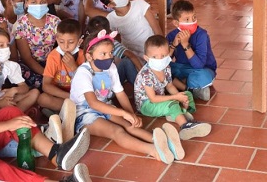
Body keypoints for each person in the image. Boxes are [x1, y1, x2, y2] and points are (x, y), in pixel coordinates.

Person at [69, 30, 183, 164]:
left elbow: (120, 93)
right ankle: (153, 150)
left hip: (105, 106)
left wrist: (131, 114)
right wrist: (123, 112)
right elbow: (93, 103)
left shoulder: (110, 67)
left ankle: (162, 142)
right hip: (84, 113)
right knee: (116, 131)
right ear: (89, 56)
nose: (109, 57)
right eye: (103, 54)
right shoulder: (83, 72)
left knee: (129, 125)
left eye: (111, 52)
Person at [134, 35, 211, 140]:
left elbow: (169, 86)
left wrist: (180, 97)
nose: (160, 59)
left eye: (163, 56)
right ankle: (185, 126)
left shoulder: (166, 68)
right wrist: (175, 98)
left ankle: (183, 111)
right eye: (155, 57)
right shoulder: (146, 74)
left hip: (160, 99)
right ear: (146, 58)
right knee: (172, 104)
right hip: (147, 105)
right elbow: (153, 98)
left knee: (186, 94)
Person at [166, 0, 217, 101]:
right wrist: (174, 45)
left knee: (203, 76)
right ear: (176, 23)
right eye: (187, 19)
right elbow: (165, 60)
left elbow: (199, 65)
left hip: (201, 70)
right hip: (180, 67)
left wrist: (185, 45)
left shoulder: (201, 35)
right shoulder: (172, 35)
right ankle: (190, 89)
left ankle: (179, 85)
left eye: (194, 17)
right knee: (160, 70)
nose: (192, 22)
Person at [98, 0, 162, 58]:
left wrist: (160, 49)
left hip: (151, 52)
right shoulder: (111, 19)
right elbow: (114, 40)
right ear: (110, 5)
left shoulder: (140, 4)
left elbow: (157, 29)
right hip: (130, 55)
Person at [14, 0, 60, 89]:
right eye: (34, 2)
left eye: (43, 2)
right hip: (30, 66)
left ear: (47, 2)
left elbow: (62, 46)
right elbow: (26, 58)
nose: (39, 5)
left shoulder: (55, 21)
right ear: (26, 3)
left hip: (51, 62)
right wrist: (47, 75)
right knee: (42, 82)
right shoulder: (21, 25)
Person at [85, 16, 141, 86]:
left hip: (111, 81)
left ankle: (141, 88)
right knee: (126, 61)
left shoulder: (110, 44)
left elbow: (130, 55)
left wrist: (143, 75)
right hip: (97, 83)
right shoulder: (89, 46)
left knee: (126, 62)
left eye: (110, 52)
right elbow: (131, 55)